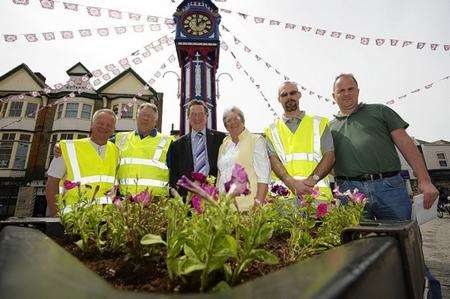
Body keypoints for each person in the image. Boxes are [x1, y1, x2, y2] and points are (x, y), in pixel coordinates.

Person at [330, 73, 441, 298]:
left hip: (388, 187)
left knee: (407, 247)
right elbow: (328, 160)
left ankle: (429, 292)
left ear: (358, 91)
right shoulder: (330, 127)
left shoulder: (380, 111)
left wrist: (425, 180)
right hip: (350, 194)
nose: (346, 93)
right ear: (334, 96)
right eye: (341, 90)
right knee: (359, 253)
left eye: (351, 89)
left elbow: (407, 145)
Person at [265, 81, 335, 200]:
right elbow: (273, 159)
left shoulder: (319, 123)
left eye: (292, 93)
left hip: (317, 195)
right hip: (284, 198)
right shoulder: (272, 130)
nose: (289, 97)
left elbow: (330, 155)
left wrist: (312, 181)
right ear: (279, 99)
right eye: (284, 95)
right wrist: (291, 183)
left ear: (299, 95)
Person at [45, 109, 119, 216]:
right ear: (92, 125)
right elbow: (51, 184)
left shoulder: (116, 151)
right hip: (74, 219)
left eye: (109, 125)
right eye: (100, 123)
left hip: (105, 220)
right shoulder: (67, 148)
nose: (104, 127)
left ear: (114, 130)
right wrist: (56, 217)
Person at [114, 102, 173, 197]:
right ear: (137, 118)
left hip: (155, 203)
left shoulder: (169, 142)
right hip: (124, 201)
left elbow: (175, 174)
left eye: (149, 116)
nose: (145, 118)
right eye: (142, 115)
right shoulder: (120, 138)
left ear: (155, 120)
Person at [217, 106, 271, 211]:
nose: (233, 123)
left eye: (236, 119)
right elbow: (220, 176)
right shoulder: (224, 144)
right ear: (225, 126)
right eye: (228, 121)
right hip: (225, 209)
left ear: (243, 121)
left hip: (248, 208)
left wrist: (257, 207)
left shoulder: (256, 140)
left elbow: (263, 177)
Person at [167, 100, 226, 195]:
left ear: (206, 116)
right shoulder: (177, 145)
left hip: (214, 197)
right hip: (187, 198)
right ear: (188, 117)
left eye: (201, 114)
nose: (197, 118)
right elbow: (174, 177)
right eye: (193, 114)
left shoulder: (221, 139)